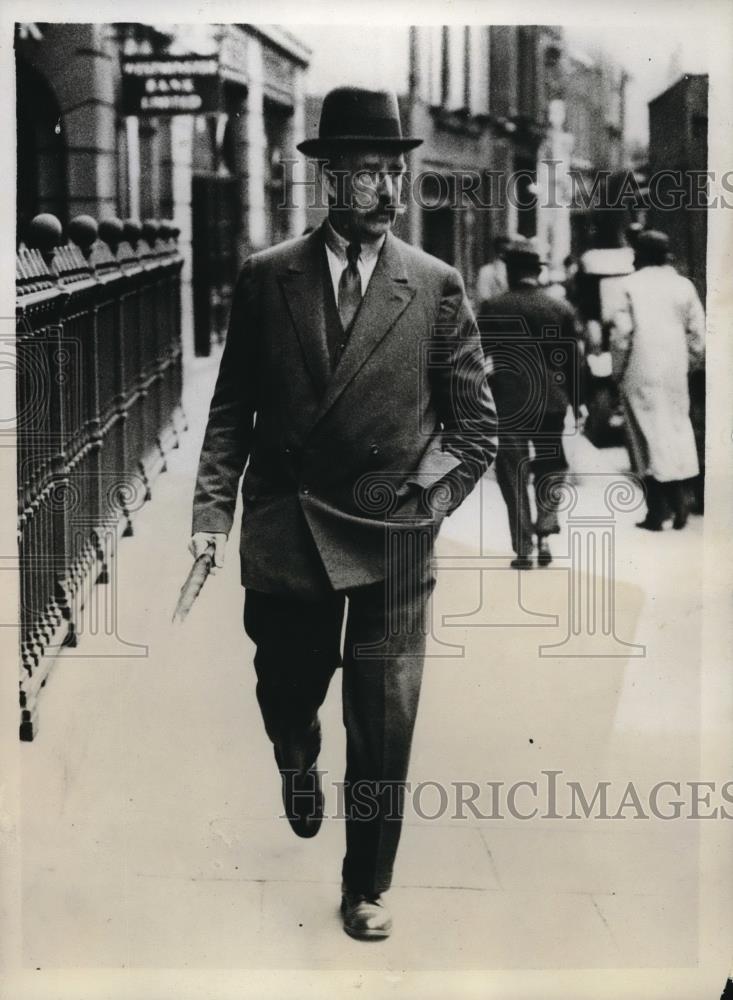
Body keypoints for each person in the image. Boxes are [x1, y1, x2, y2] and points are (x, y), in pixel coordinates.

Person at [189, 87, 498, 941]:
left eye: (392, 172)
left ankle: (366, 883)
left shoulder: (433, 287)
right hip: (290, 532)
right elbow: (230, 411)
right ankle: (296, 756)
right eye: (366, 173)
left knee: (385, 719)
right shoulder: (266, 276)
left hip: (392, 542)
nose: (386, 189)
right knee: (287, 689)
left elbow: (475, 428)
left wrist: (425, 504)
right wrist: (209, 518)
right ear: (329, 180)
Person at [478, 237, 584, 568]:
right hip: (551, 400)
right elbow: (572, 361)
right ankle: (547, 526)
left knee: (512, 471)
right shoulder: (559, 308)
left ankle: (523, 547)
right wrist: (578, 402)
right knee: (552, 463)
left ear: (509, 271)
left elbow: (479, 358)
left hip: (508, 401)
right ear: (537, 272)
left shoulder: (494, 308)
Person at [609, 229, 705, 530]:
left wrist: (618, 371)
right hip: (675, 369)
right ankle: (682, 503)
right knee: (677, 429)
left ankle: (656, 511)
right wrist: (689, 363)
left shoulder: (628, 285)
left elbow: (621, 336)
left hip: (640, 367)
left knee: (644, 438)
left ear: (642, 255)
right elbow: (698, 336)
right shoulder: (683, 286)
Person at [476, 234, 511, 303]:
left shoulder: (513, 271)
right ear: (496, 252)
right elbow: (483, 297)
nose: (503, 255)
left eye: (507, 252)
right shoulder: (486, 271)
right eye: (501, 251)